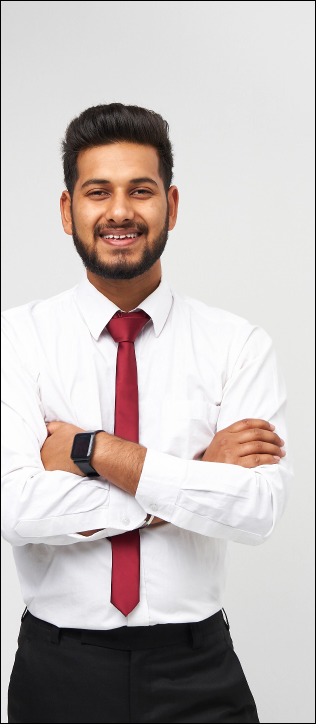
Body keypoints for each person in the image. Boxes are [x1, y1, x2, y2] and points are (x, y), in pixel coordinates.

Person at [2, 103, 292, 724]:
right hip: (59, 670)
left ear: (172, 205)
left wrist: (95, 453)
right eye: (97, 191)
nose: (120, 211)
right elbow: (17, 508)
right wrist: (193, 476)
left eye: (141, 190)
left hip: (199, 670)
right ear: (66, 210)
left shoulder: (237, 345)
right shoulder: (15, 342)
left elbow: (256, 510)